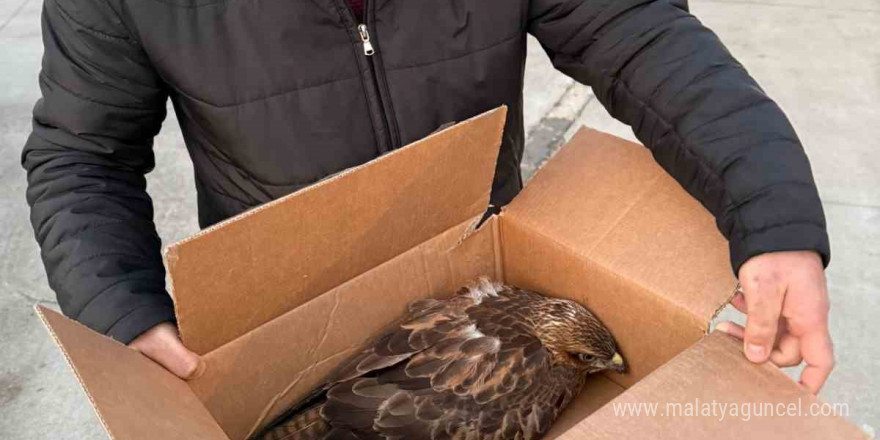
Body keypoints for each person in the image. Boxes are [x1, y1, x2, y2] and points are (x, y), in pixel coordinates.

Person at [22, 0, 833, 394]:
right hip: (278, 329)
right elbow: (81, 154)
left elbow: (641, 38)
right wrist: (124, 316)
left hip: (485, 301)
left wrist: (774, 214)